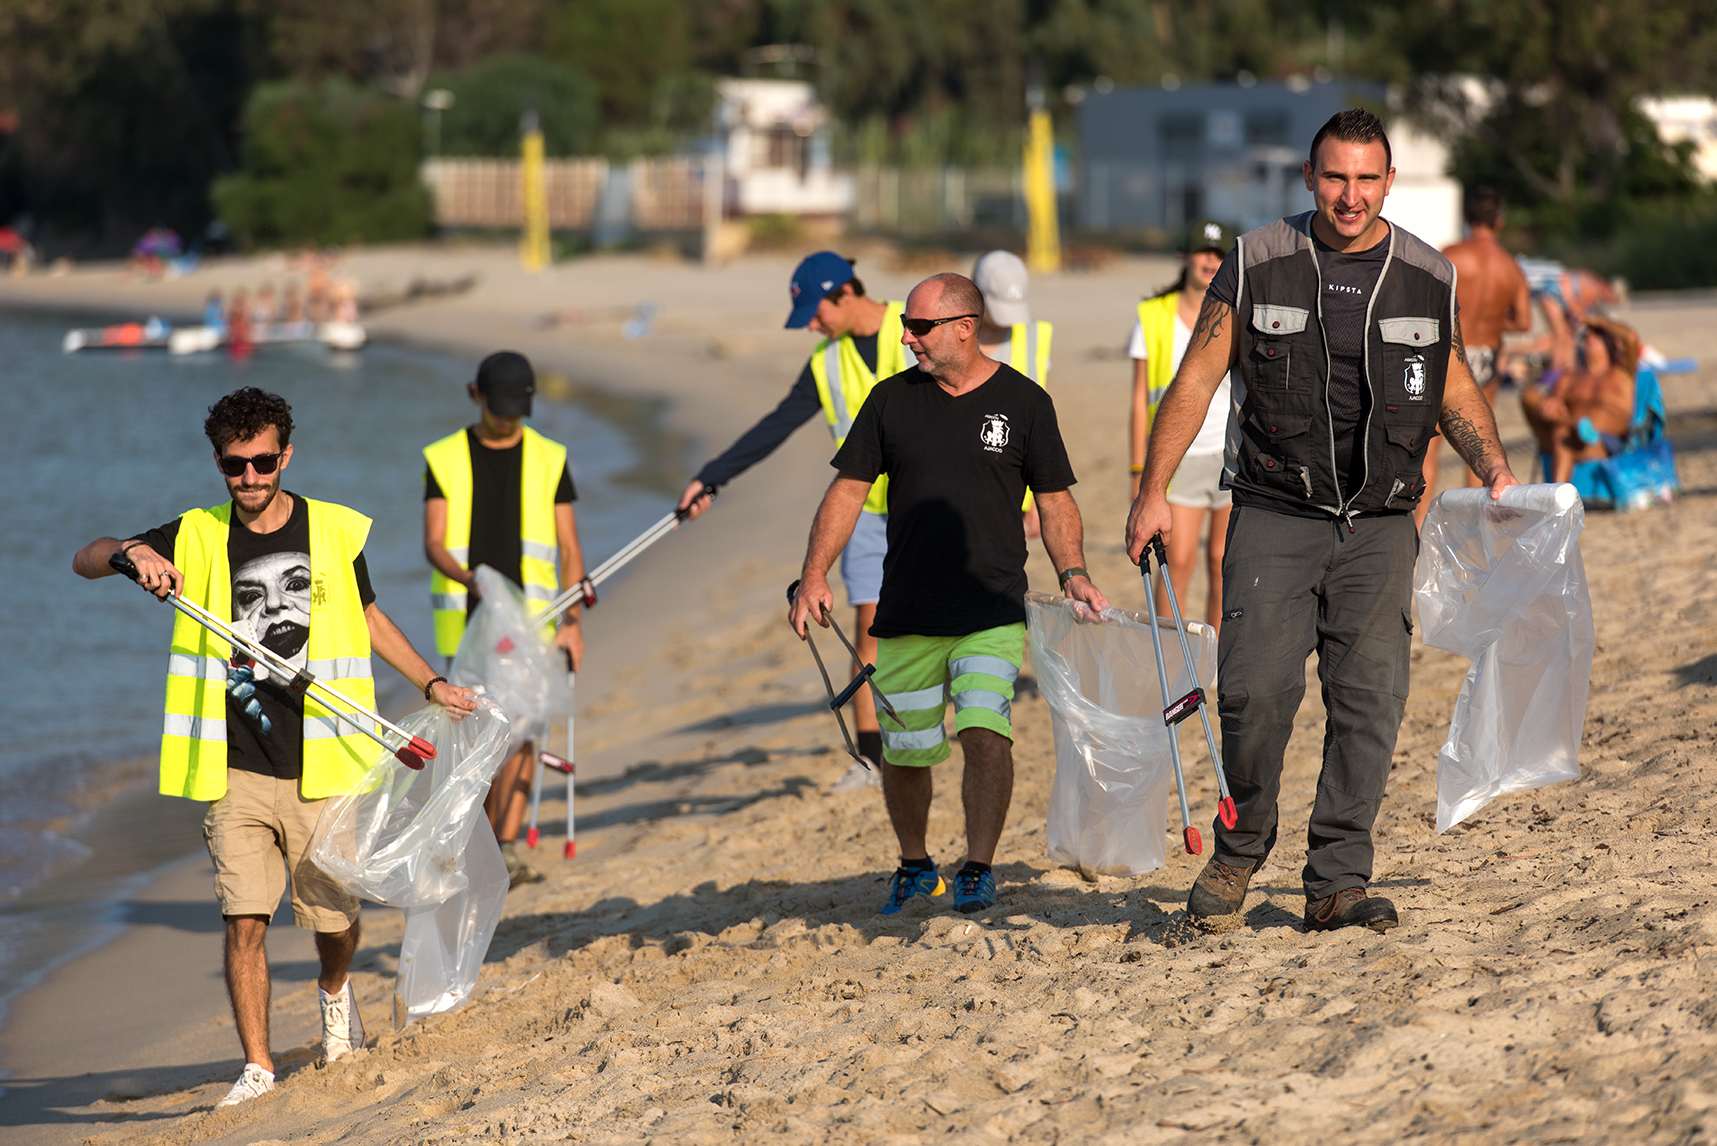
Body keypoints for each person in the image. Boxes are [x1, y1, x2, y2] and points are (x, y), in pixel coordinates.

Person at [1125, 109, 1520, 935]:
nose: (1350, 195)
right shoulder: (1256, 262)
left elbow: (1448, 387)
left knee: (1369, 703)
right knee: (1251, 693)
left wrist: (1493, 466)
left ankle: (1336, 882)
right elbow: (1195, 381)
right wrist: (1151, 488)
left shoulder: (1424, 273)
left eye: (1365, 178)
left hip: (1379, 523)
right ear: (1308, 179)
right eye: (1334, 177)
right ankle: (1240, 851)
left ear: (1387, 182)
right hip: (1274, 511)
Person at [72, 387, 477, 1107]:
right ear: (220, 463)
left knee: (334, 919)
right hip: (235, 767)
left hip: (324, 763)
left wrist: (432, 681)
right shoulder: (196, 534)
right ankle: (258, 1066)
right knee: (243, 918)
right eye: (236, 465)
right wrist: (134, 553)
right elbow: (87, 556)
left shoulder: (330, 530)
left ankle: (333, 993)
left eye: (263, 462)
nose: (251, 478)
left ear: (285, 455)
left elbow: (369, 616)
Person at [791, 272, 1109, 916]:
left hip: (990, 607)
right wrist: (816, 572)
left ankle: (979, 867)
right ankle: (914, 863)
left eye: (920, 327)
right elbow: (848, 491)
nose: (906, 337)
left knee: (985, 731)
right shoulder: (890, 401)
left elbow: (1054, 500)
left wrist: (1072, 570)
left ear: (964, 326)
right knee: (906, 752)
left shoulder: (1025, 402)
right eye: (907, 326)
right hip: (906, 608)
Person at [678, 251, 910, 786]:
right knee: (870, 631)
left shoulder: (916, 326)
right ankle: (871, 761)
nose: (811, 323)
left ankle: (926, 737)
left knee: (937, 630)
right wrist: (712, 476)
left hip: (930, 510)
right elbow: (777, 425)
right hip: (865, 516)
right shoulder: (826, 362)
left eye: (815, 311)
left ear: (845, 294)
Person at [423, 351, 590, 888]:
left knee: (525, 731)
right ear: (475, 395)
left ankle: (507, 848)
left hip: (536, 621)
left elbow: (569, 546)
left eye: (518, 408)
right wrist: (470, 577)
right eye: (499, 407)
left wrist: (572, 623)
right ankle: (485, 843)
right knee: (481, 738)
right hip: (468, 620)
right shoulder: (445, 456)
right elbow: (433, 540)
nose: (508, 418)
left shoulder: (549, 457)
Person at [1129, 220, 1237, 630]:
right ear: (1185, 256)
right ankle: (1173, 668)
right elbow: (1139, 400)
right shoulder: (1154, 316)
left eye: (1219, 253)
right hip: (1180, 457)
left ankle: (1215, 662)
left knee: (1223, 566)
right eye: (1202, 251)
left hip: (1230, 456)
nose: (1210, 260)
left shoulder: (1237, 311)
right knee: (1179, 562)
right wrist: (1138, 471)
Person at [1428, 187, 1533, 516]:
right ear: (1499, 221)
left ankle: (1416, 531)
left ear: (1467, 218)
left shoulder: (1451, 254)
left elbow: (1426, 302)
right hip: (1487, 355)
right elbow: (1524, 321)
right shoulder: (1511, 267)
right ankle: (1473, 532)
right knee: (1480, 449)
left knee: (1428, 451)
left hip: (1449, 352)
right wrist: (1492, 321)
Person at [972, 250, 1054, 539]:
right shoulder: (951, 336)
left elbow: (1037, 428)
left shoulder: (1034, 336)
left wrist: (1036, 498)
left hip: (1011, 487)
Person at [1521, 316, 1639, 482]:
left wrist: (1599, 322)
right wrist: (1550, 402)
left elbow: (1630, 338)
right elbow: (1553, 409)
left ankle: (1556, 495)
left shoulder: (1622, 374)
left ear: (1611, 342)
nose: (1590, 336)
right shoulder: (1569, 377)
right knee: (1529, 395)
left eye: (1598, 334)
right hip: (1565, 434)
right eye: (1587, 334)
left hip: (1602, 441)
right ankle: (1575, 425)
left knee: (1561, 432)